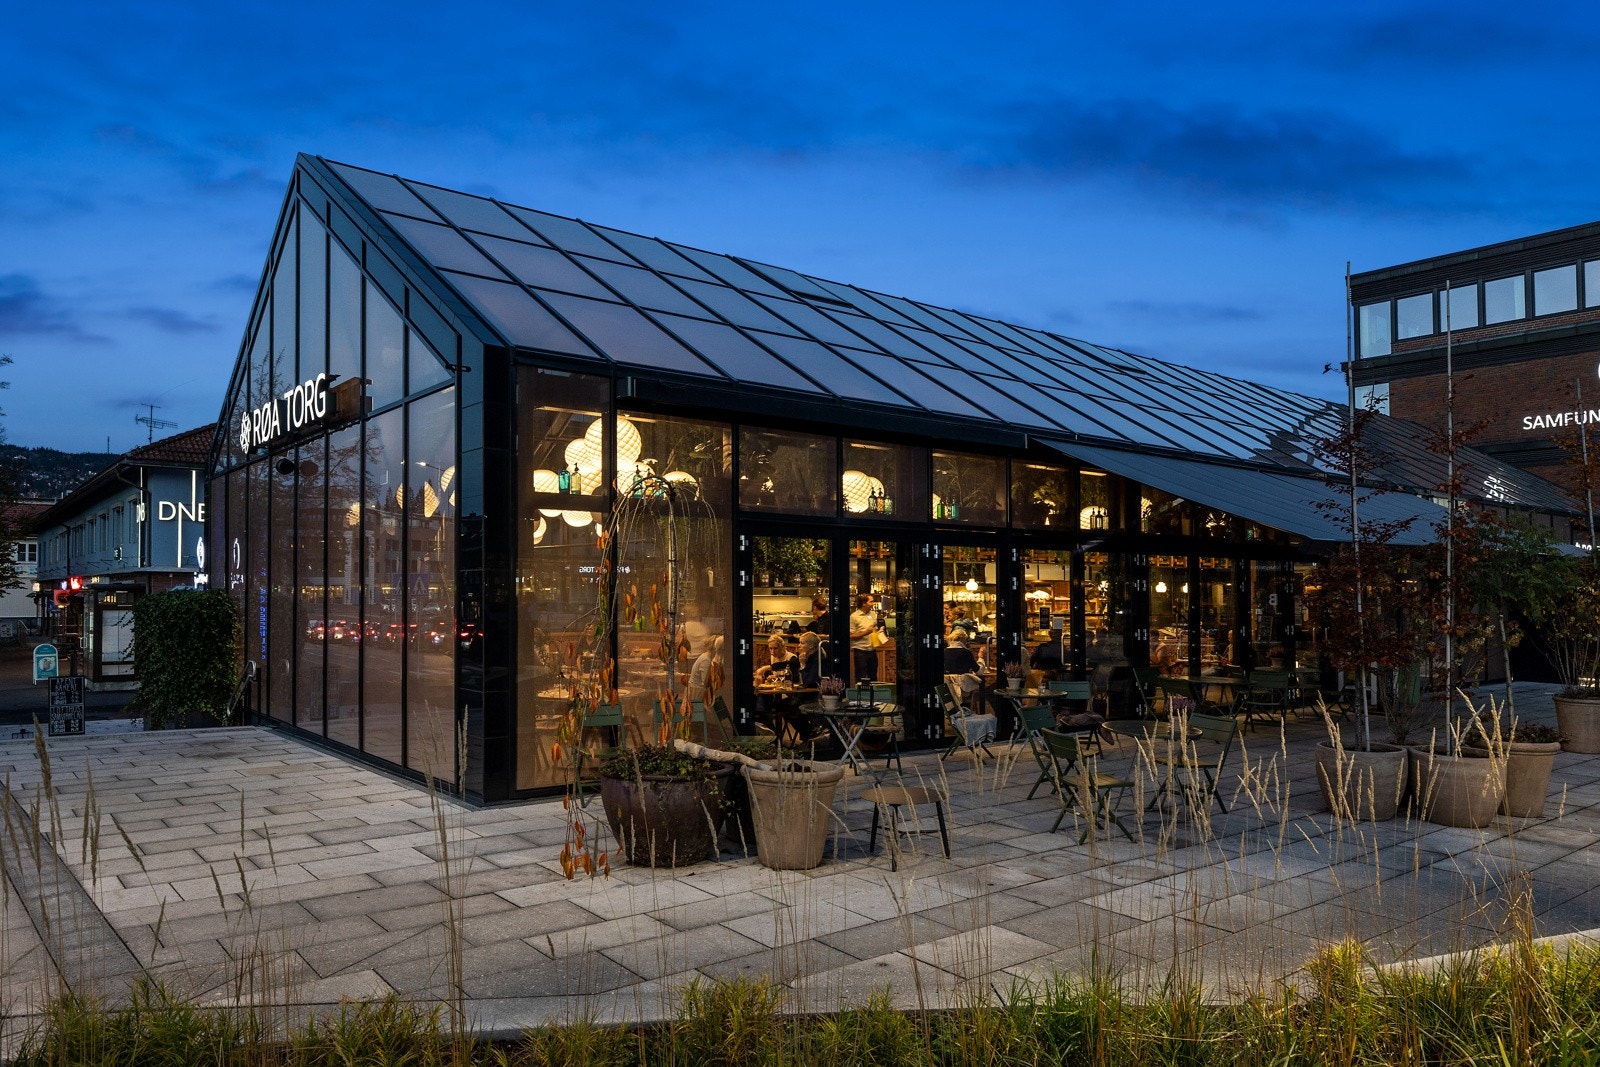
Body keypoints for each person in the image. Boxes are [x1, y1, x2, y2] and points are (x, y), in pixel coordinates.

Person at [943, 630, 985, 707]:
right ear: (962, 639)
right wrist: (981, 657)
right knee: (981, 685)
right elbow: (979, 672)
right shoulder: (965, 652)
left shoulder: (944, 651)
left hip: (947, 689)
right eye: (966, 639)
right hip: (963, 689)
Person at [848, 593, 879, 683]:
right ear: (864, 603)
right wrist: (866, 632)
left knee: (873, 677)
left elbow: (873, 629)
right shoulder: (854, 617)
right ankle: (861, 696)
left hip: (872, 650)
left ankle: (872, 696)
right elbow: (851, 635)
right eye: (871, 601)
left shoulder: (873, 614)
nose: (873, 603)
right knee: (861, 677)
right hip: (860, 651)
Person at [687, 635, 723, 700]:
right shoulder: (706, 660)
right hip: (697, 691)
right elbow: (705, 682)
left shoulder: (707, 656)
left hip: (698, 688)